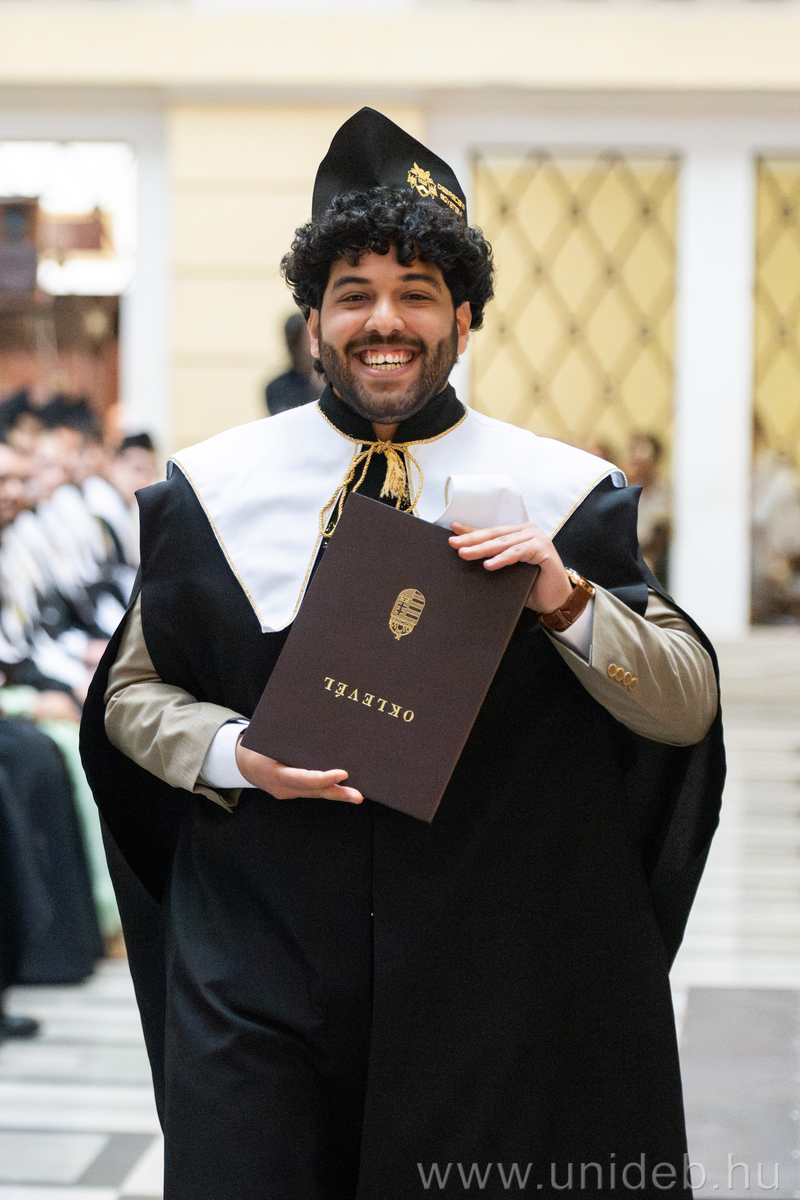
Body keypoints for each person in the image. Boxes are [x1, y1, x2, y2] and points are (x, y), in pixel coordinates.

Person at [81, 109, 724, 1200]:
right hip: (259, 966)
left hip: (495, 976)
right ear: (314, 323)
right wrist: (239, 754)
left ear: (463, 320)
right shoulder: (210, 493)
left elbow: (683, 708)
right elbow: (131, 698)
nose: (385, 320)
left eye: (417, 292)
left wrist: (562, 597)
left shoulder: (564, 494)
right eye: (354, 294)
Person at [265, 311, 325, 414]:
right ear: (295, 341)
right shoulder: (276, 387)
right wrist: (314, 389)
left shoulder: (331, 381)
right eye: (309, 335)